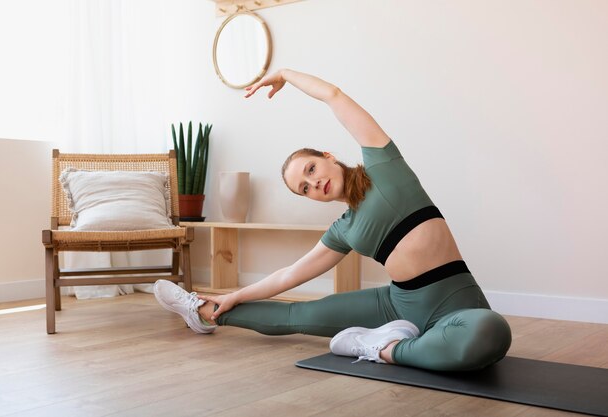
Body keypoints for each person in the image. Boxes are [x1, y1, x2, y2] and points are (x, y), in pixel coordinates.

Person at [154, 69, 512, 371]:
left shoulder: (384, 167)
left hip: (456, 305)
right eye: (304, 188)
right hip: (398, 304)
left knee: (491, 332)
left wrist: (284, 74)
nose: (314, 184)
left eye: (311, 170)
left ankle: (382, 347)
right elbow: (290, 275)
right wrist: (234, 296)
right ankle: (203, 310)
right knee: (299, 317)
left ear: (327, 156)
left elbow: (334, 96)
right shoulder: (344, 228)